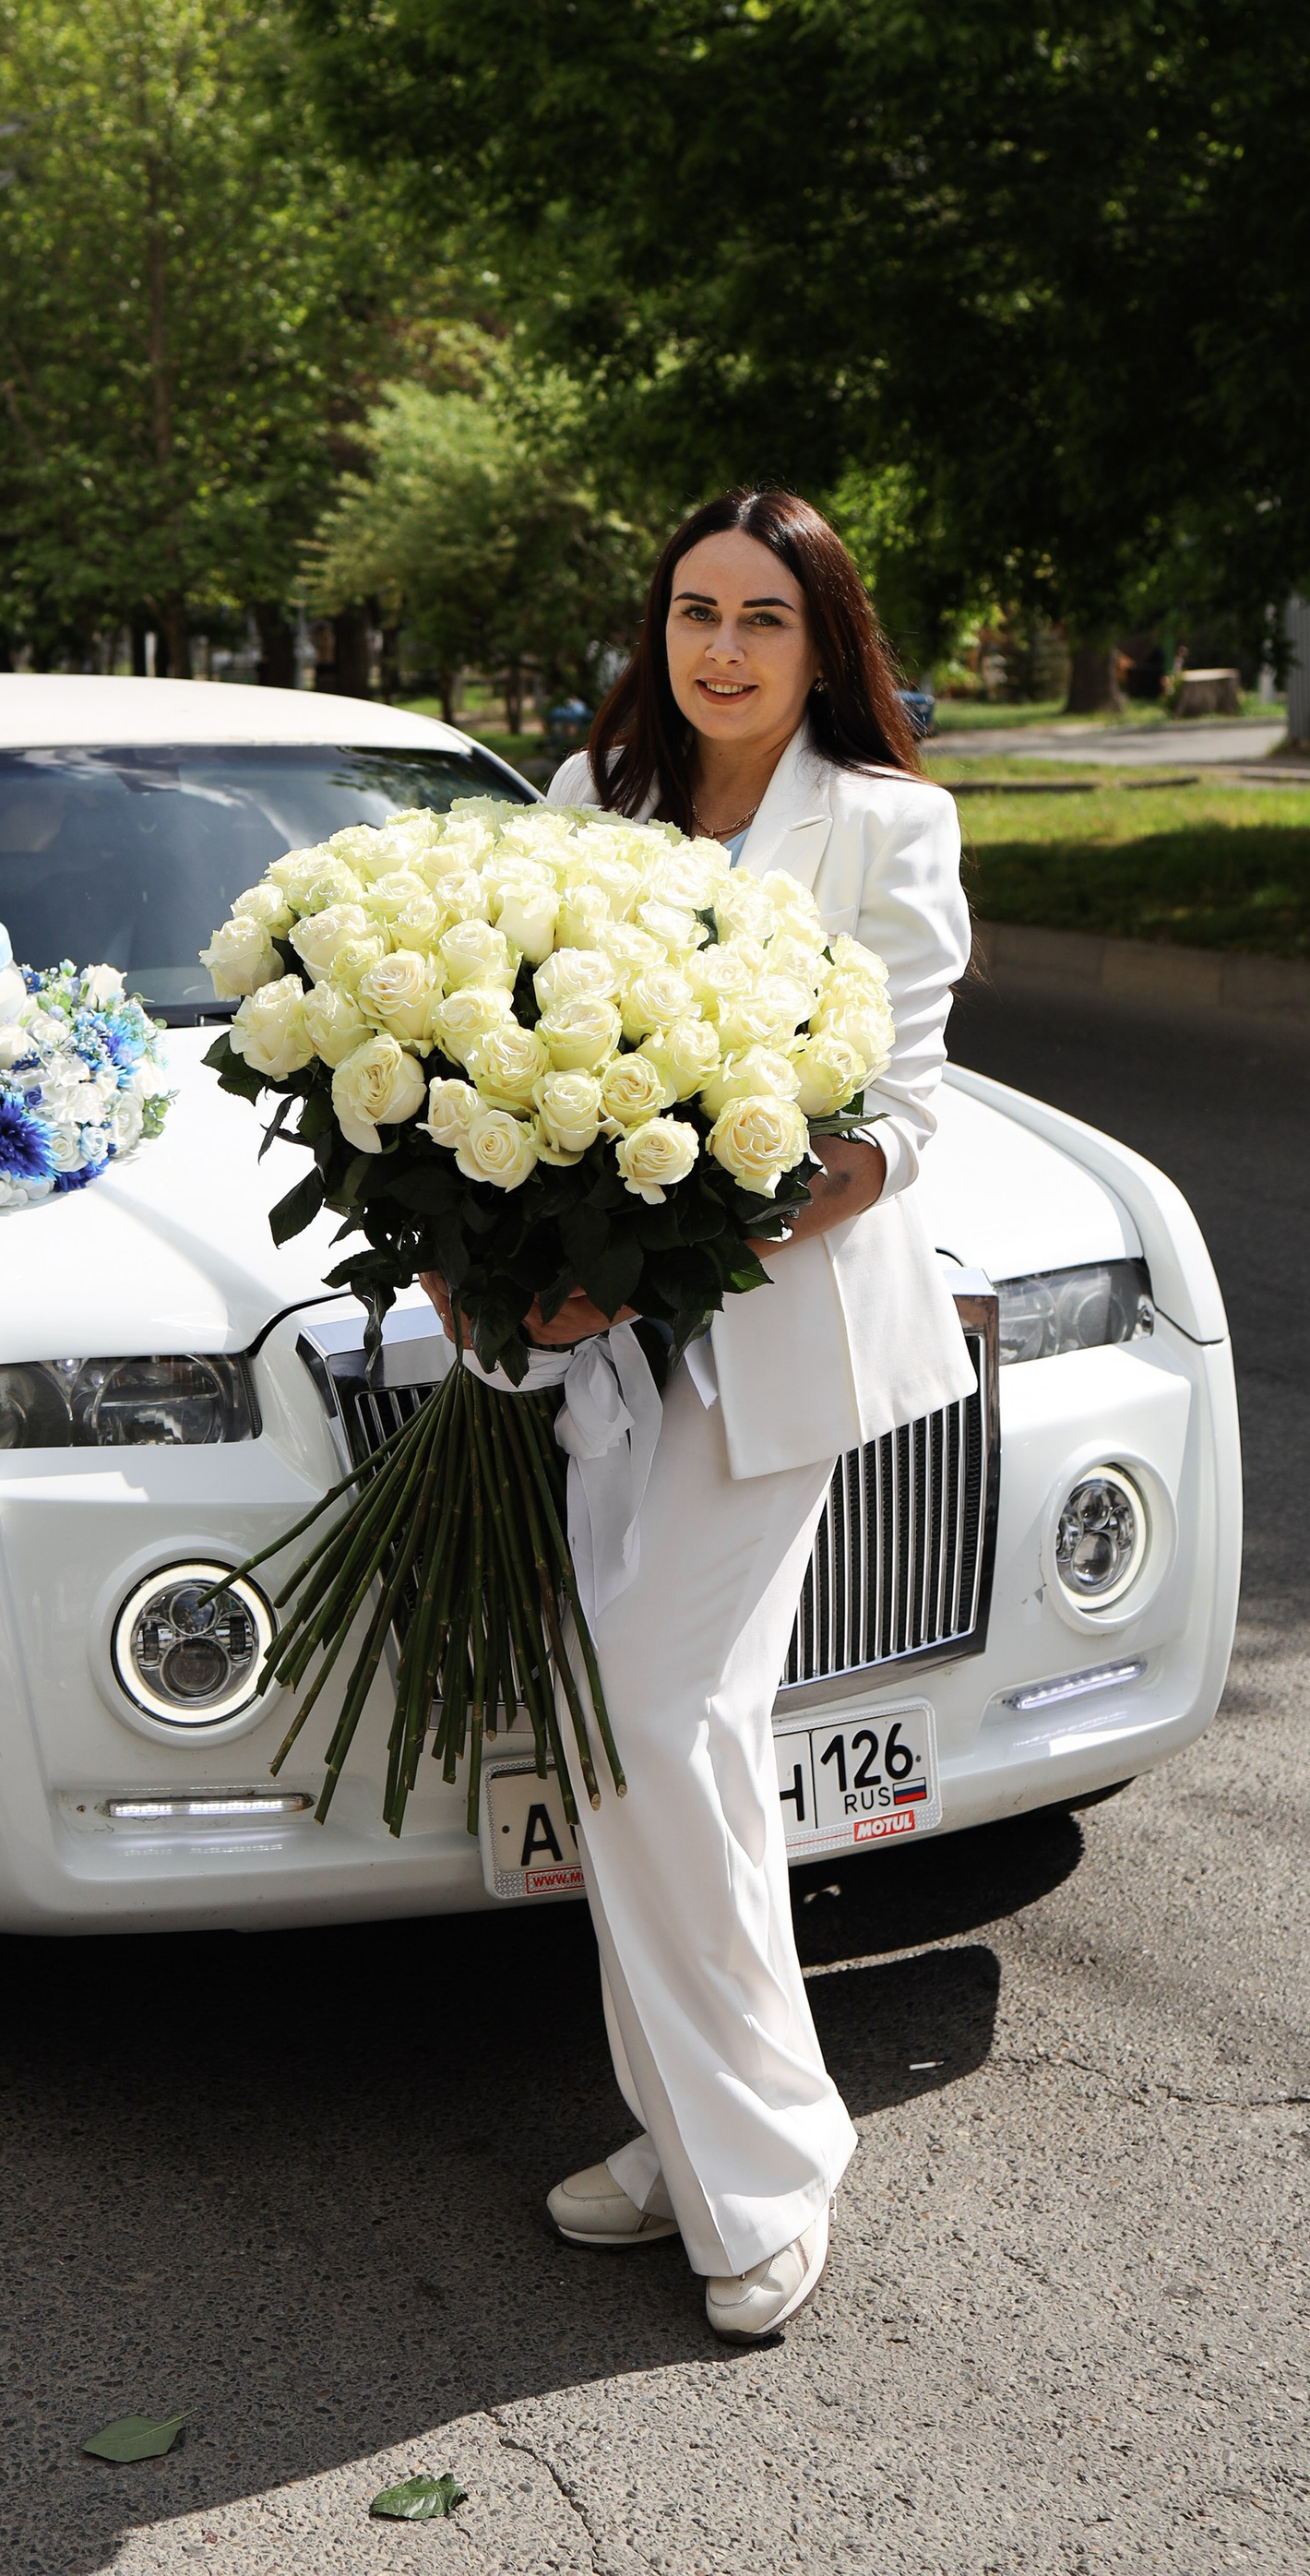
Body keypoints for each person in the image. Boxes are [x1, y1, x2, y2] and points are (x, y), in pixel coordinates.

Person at [447, 487, 971, 2340]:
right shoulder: (593, 811)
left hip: (779, 1352)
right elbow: (492, 1052)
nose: (722, 646)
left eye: (762, 614)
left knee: (660, 1720)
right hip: (603, 1368)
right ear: (655, 628)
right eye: (693, 610)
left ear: (821, 642)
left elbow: (890, 1129)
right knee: (629, 1748)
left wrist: (653, 1254)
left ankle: (762, 2167)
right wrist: (476, 1246)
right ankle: (680, 2130)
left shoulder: (886, 825)